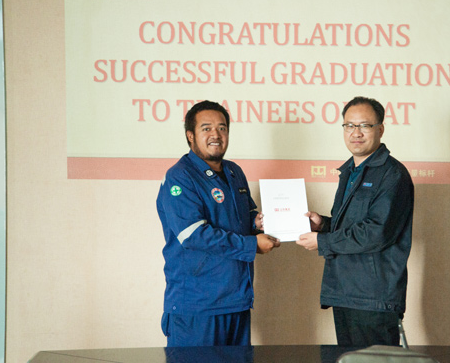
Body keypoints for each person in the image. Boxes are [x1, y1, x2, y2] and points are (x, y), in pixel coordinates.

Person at [156, 100, 280, 347]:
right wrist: (252, 245)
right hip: (197, 305)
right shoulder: (179, 177)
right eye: (206, 128)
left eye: (222, 128)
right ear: (190, 136)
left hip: (236, 300)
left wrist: (257, 223)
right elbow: (193, 235)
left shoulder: (234, 172)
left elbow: (245, 217)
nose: (216, 134)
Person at [296, 96, 414, 347]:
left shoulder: (392, 174)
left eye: (365, 126)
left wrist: (323, 241)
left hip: (373, 298)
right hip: (346, 293)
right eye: (349, 125)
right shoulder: (350, 171)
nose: (356, 133)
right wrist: (323, 225)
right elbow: (353, 225)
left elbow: (377, 232)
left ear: (380, 129)